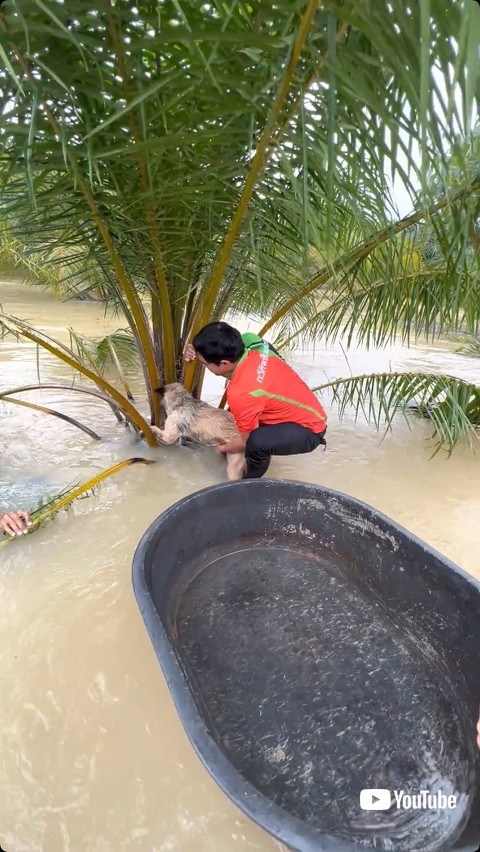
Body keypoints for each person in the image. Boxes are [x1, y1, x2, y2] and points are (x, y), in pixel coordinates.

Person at [184, 322, 327, 479]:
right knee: (235, 422)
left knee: (256, 442)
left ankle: (249, 482)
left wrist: (222, 449)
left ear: (225, 363)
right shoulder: (251, 341)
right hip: (303, 408)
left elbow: (245, 440)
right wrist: (195, 351)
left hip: (309, 430)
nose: (204, 366)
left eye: (205, 364)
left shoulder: (242, 392)